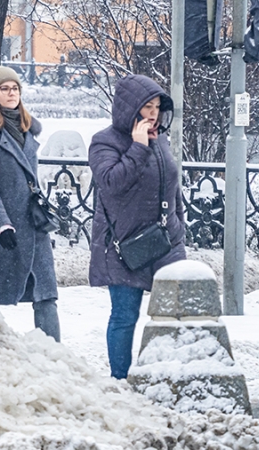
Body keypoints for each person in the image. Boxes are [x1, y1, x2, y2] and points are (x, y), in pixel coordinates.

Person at [88, 74, 186, 379]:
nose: (154, 113)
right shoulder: (105, 141)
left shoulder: (161, 139)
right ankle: (120, 380)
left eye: (157, 107)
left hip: (166, 240)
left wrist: (179, 226)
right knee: (125, 315)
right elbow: (111, 182)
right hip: (125, 243)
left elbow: (172, 185)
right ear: (129, 108)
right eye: (147, 107)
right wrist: (138, 146)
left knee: (175, 312)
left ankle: (165, 376)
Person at [0, 65, 60, 342]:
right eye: (4, 88)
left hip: (32, 224)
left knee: (45, 292)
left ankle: (53, 354)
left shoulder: (26, 129)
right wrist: (1, 225)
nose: (11, 93)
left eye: (15, 88)